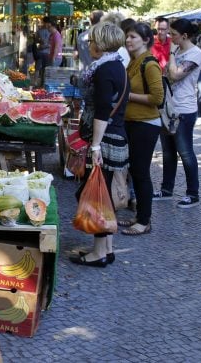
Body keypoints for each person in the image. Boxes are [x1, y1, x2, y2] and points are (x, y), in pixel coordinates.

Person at [69, 22, 129, 267]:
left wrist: (95, 146)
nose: (89, 45)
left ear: (102, 43)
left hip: (105, 140)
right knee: (103, 196)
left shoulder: (104, 71)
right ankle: (107, 248)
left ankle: (99, 254)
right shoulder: (117, 66)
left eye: (92, 41)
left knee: (94, 197)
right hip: (116, 137)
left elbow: (103, 110)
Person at [119, 23, 163, 236]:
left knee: (141, 172)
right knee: (135, 172)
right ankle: (139, 216)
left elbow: (157, 98)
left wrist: (129, 97)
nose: (128, 41)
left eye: (133, 37)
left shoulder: (149, 64)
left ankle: (144, 221)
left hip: (146, 124)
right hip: (133, 123)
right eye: (127, 37)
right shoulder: (133, 62)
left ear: (145, 40)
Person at [154, 19, 201, 207]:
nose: (169, 36)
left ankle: (193, 193)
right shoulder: (178, 50)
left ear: (184, 36)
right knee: (167, 152)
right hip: (169, 107)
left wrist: (172, 54)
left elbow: (174, 74)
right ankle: (167, 189)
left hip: (184, 109)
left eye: (173, 34)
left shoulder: (195, 53)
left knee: (185, 152)